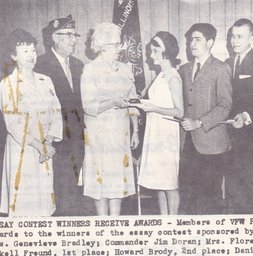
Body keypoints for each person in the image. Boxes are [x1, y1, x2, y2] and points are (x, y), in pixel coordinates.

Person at [0, 29, 62, 216]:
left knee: (44, 201)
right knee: (24, 203)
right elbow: (14, 124)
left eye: (33, 50)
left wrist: (48, 142)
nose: (31, 55)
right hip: (23, 149)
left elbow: (56, 112)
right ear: (13, 55)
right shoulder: (7, 84)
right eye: (25, 51)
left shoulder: (46, 80)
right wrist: (39, 145)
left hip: (44, 149)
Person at [34, 15, 92, 216]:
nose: (74, 39)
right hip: (55, 139)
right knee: (58, 189)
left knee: (73, 188)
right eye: (68, 35)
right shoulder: (40, 65)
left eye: (75, 35)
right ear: (54, 38)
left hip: (77, 138)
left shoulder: (78, 65)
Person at [80, 22, 139, 216]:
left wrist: (135, 130)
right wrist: (113, 102)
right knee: (101, 182)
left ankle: (116, 223)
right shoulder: (90, 70)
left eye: (119, 43)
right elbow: (88, 106)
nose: (120, 48)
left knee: (117, 183)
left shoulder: (125, 69)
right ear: (102, 46)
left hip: (120, 134)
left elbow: (133, 100)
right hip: (99, 135)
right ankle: (102, 225)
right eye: (115, 44)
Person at [179, 23, 232, 214]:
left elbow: (225, 105)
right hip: (188, 142)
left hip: (212, 142)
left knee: (210, 197)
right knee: (188, 194)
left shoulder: (221, 68)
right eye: (190, 39)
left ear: (210, 42)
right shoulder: (184, 69)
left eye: (197, 39)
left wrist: (199, 122)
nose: (191, 43)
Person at [225, 18, 253, 214]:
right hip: (227, 131)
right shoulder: (226, 63)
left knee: (249, 175)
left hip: (250, 132)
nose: (235, 41)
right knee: (232, 175)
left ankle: (250, 218)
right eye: (233, 36)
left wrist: (245, 116)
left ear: (251, 38)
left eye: (240, 36)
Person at [136, 32, 183, 215]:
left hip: (167, 135)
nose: (151, 55)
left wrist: (153, 108)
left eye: (155, 50)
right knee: (160, 184)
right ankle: (165, 223)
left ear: (167, 52)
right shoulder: (161, 75)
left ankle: (174, 225)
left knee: (170, 184)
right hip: (156, 132)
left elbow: (179, 112)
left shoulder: (172, 76)